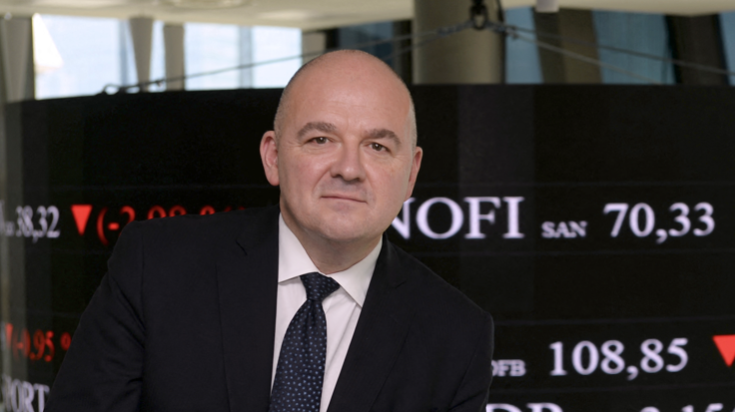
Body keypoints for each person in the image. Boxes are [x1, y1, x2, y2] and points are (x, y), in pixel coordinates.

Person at [46, 50, 494, 412]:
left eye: (377, 146)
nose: (349, 168)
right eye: (321, 139)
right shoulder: (156, 268)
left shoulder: (457, 336)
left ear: (410, 173)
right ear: (273, 157)